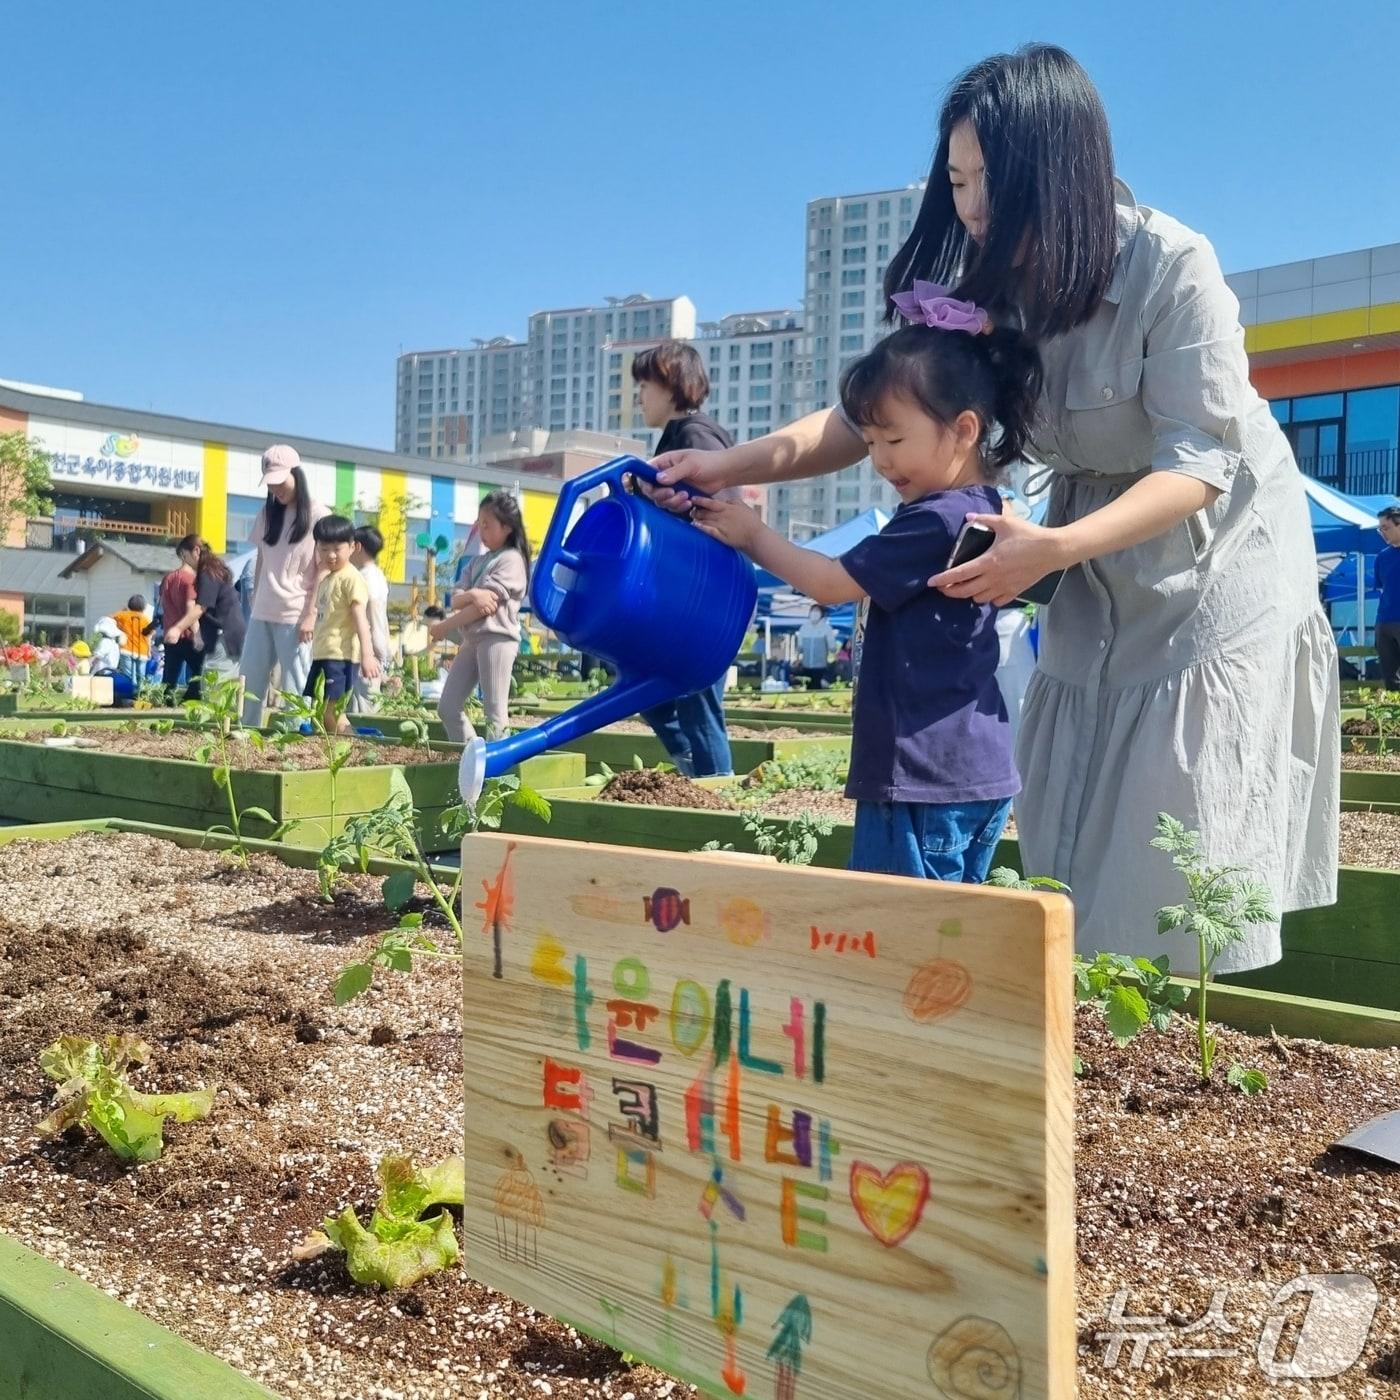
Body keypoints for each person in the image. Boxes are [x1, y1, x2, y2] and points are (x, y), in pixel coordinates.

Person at [652, 44, 1338, 971]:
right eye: (957, 182)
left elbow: (1199, 462)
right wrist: (720, 464)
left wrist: (1056, 547)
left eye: (988, 183)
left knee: (1178, 809)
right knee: (1067, 791)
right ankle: (1072, 1000)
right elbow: (868, 418)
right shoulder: (984, 290)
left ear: (1057, 173)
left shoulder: (1172, 266)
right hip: (1078, 541)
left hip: (1212, 543)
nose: (970, 208)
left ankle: (1170, 1016)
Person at [692, 315, 1035, 882]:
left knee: (896, 923)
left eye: (894, 440)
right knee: (950, 926)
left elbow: (829, 583)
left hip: (921, 775)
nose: (880, 460)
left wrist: (752, 534)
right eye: (871, 442)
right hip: (968, 769)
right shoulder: (979, 505)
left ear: (964, 429)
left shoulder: (936, 519)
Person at [632, 341, 737, 777]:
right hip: (692, 592)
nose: (639, 396)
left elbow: (723, 509)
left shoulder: (695, 436)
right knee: (648, 686)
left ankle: (716, 795)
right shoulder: (679, 435)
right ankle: (697, 772)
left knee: (698, 707)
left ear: (671, 383)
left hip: (706, 592)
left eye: (645, 385)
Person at [239, 444, 329, 726]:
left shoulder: (319, 514)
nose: (275, 488)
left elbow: (323, 569)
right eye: (270, 483)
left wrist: (311, 614)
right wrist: (255, 595)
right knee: (248, 680)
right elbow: (262, 558)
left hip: (296, 613)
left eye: (280, 481)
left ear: (296, 474)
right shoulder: (267, 514)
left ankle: (296, 739)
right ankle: (244, 734)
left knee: (296, 687)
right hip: (262, 610)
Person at [428, 490, 528, 743]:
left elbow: (484, 607)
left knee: (494, 712)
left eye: (487, 525)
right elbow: (455, 599)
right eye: (479, 524)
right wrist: (474, 594)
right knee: (448, 707)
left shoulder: (512, 559)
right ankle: (472, 756)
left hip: (497, 638)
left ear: (507, 527)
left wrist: (444, 626)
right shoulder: (477, 562)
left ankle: (497, 764)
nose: (481, 531)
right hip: (472, 639)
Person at [305, 516, 380, 732]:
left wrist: (367, 655)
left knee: (333, 713)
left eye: (337, 549)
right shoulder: (328, 579)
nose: (331, 555)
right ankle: (332, 750)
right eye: (324, 548)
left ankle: (354, 747)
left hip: (340, 656)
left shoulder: (351, 578)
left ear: (353, 547)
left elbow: (361, 619)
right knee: (321, 712)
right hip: (323, 654)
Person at [163, 534, 246, 701]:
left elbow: (201, 607)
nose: (185, 562)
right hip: (229, 633)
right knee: (220, 683)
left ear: (196, 551)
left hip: (224, 635)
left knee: (214, 684)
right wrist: (199, 634)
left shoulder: (208, 573)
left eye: (185, 556)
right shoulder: (215, 570)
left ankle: (217, 716)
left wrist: (178, 628)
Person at [350, 526, 392, 713]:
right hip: (374, 650)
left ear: (357, 547)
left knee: (363, 709)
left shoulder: (364, 578)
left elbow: (373, 617)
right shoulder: (377, 575)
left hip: (367, 652)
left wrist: (374, 652)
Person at [157, 540, 201, 696]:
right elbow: (190, 609)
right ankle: (191, 698)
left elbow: (163, 604)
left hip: (170, 633)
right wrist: (198, 634)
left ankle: (164, 701)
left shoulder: (168, 578)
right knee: (199, 672)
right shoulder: (190, 579)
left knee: (169, 677)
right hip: (187, 634)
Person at [1376, 506, 1400, 691]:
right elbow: (1381, 588)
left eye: (1386, 527)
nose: (1383, 532)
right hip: (1384, 622)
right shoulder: (1382, 557)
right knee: (1390, 679)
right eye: (1380, 529)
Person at [110, 594, 153, 687]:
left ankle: (129, 692)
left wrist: (122, 611)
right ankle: (140, 693)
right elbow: (149, 636)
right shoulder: (147, 620)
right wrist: (149, 650)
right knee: (141, 676)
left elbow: (109, 619)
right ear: (144, 606)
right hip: (142, 651)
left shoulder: (123, 615)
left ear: (129, 604)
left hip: (126, 649)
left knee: (128, 676)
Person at [793, 605, 839, 689]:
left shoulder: (826, 628)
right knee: (807, 688)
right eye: (813, 611)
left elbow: (832, 648)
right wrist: (797, 660)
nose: (814, 613)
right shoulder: (804, 628)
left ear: (822, 614)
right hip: (806, 666)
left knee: (817, 688)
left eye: (817, 611)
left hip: (820, 666)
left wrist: (834, 657)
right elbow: (799, 647)